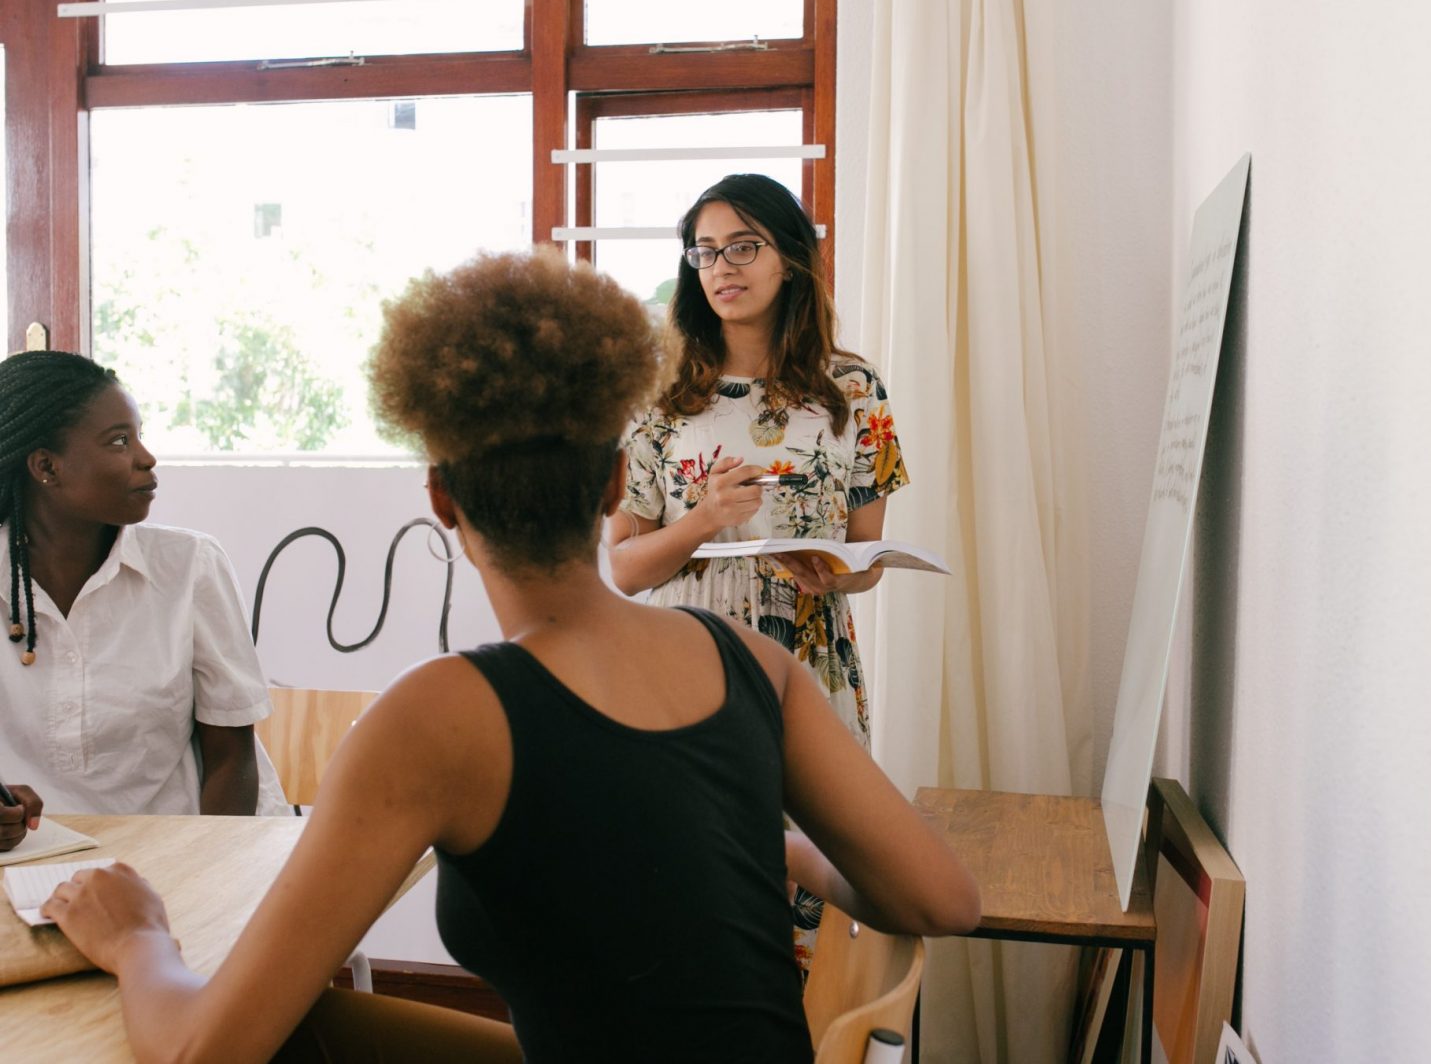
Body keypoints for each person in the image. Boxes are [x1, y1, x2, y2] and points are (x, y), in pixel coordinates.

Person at [42, 248, 979, 1063]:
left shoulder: (438, 713)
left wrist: (138, 941)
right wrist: (776, 845)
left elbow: (200, 1051)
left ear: (441, 500)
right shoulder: (743, 657)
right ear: (616, 481)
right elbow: (943, 898)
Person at [606, 173, 907, 753]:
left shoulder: (853, 387)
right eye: (706, 251)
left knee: (813, 840)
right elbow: (623, 570)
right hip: (686, 656)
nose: (721, 266)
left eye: (743, 246)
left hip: (811, 658)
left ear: (790, 259)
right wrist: (702, 518)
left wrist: (844, 575)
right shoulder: (656, 392)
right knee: (695, 841)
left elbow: (867, 553)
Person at [0, 350, 287, 818]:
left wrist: (206, 882)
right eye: (118, 442)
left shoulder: (190, 567)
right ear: (46, 467)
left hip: (179, 861)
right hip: (27, 867)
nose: (147, 458)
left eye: (139, 437)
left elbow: (232, 760)